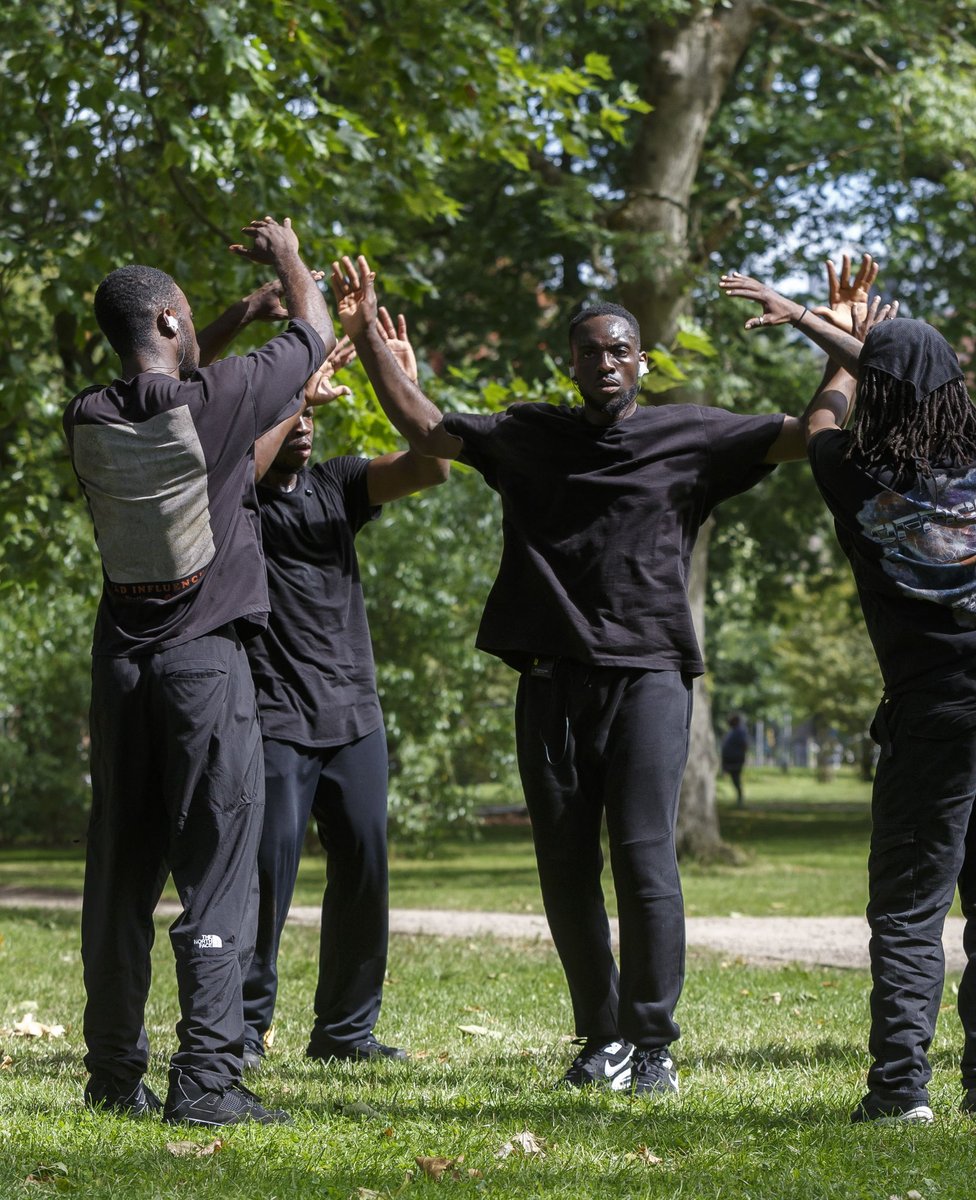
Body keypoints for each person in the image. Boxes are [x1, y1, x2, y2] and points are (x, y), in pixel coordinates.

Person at [324, 253, 848, 1097]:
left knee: (644, 863)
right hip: (549, 682)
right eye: (589, 352)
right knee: (565, 869)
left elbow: (810, 436)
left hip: (647, 679)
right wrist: (366, 333)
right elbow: (426, 430)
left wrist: (837, 346)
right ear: (570, 363)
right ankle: (599, 1035)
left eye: (618, 350)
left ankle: (651, 1046)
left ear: (640, 361)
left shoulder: (692, 435)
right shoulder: (531, 435)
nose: (604, 362)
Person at [721, 263, 976, 1125]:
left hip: (936, 702)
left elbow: (824, 413)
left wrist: (817, 325)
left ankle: (899, 1095)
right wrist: (827, 322)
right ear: (950, 391)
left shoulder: (850, 469)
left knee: (911, 900)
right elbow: (909, 379)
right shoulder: (970, 452)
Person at [64, 217, 335, 1126]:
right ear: (174, 319)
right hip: (203, 665)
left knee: (120, 872)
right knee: (219, 868)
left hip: (122, 671)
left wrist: (220, 313)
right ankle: (210, 1081)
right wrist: (290, 266)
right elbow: (314, 337)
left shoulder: (89, 416)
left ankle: (112, 1076)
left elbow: (165, 375)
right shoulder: (219, 402)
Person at [241, 311, 449, 1070]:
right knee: (266, 879)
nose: (304, 423)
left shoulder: (337, 485)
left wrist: (406, 380)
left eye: (308, 413)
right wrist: (293, 396)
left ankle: (344, 1032)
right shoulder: (238, 500)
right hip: (272, 718)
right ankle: (240, 1031)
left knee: (364, 872)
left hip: (353, 717)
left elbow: (431, 467)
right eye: (287, 411)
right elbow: (229, 464)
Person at [720, 714, 751, 806]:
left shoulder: (739, 731)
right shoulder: (733, 731)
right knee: (734, 779)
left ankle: (740, 799)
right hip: (731, 759)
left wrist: (740, 756)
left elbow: (744, 745)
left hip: (735, 759)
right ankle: (739, 798)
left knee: (735, 778)